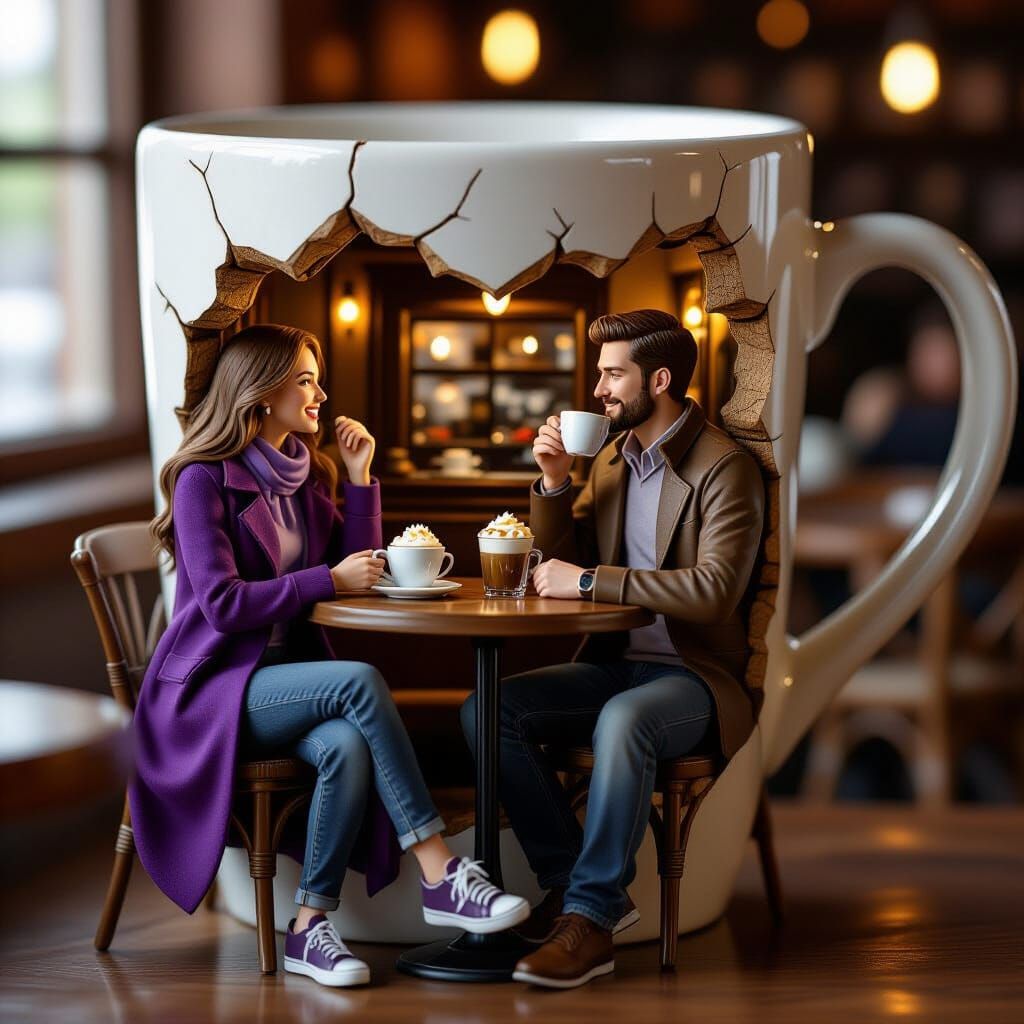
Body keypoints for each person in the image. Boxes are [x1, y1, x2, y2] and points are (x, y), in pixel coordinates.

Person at [134, 324, 528, 989]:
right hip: (213, 694)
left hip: (278, 684)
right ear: (259, 394)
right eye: (305, 380)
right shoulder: (203, 481)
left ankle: (309, 926)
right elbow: (224, 605)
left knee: (346, 743)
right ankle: (439, 871)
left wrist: (360, 478)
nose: (321, 393)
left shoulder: (297, 471)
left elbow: (358, 567)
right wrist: (326, 581)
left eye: (317, 378)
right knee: (358, 683)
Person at [461, 309, 765, 989]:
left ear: (657, 379)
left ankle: (589, 921)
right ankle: (580, 893)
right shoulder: (611, 459)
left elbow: (714, 591)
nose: (596, 389)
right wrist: (555, 483)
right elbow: (563, 575)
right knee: (488, 709)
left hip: (693, 675)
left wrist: (592, 580)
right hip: (611, 665)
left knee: (622, 722)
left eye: (611, 373)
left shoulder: (724, 468)